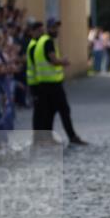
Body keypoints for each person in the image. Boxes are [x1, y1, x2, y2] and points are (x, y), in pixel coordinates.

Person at [33, 17, 88, 145]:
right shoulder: (48, 42)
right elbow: (53, 60)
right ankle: (72, 136)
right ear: (48, 28)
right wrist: (63, 61)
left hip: (45, 83)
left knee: (50, 112)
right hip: (52, 84)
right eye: (54, 27)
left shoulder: (42, 41)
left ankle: (47, 138)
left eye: (57, 27)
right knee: (64, 110)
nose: (56, 30)